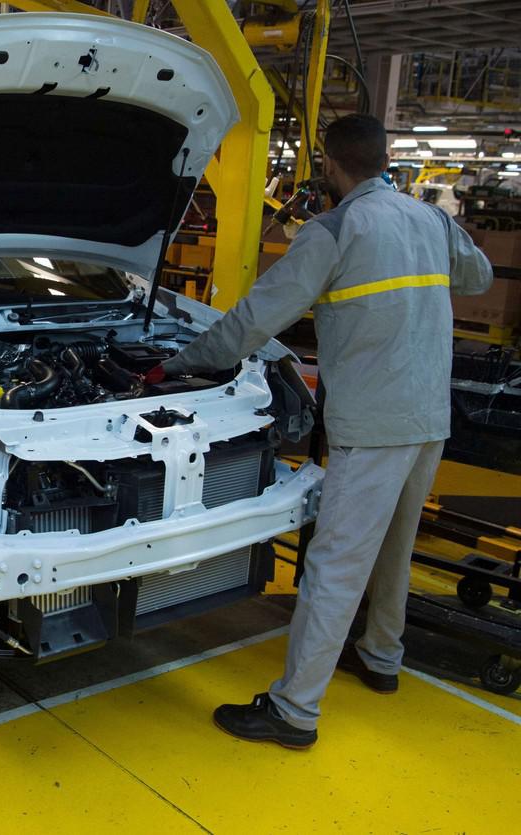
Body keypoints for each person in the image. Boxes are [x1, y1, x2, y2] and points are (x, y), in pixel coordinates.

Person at [148, 114, 493, 749]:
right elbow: (480, 278)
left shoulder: (332, 230)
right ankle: (381, 657)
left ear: (330, 164)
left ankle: (294, 711)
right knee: (393, 547)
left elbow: (256, 319)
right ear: (384, 160)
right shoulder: (430, 219)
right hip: (427, 416)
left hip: (373, 422)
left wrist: (178, 364)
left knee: (334, 563)